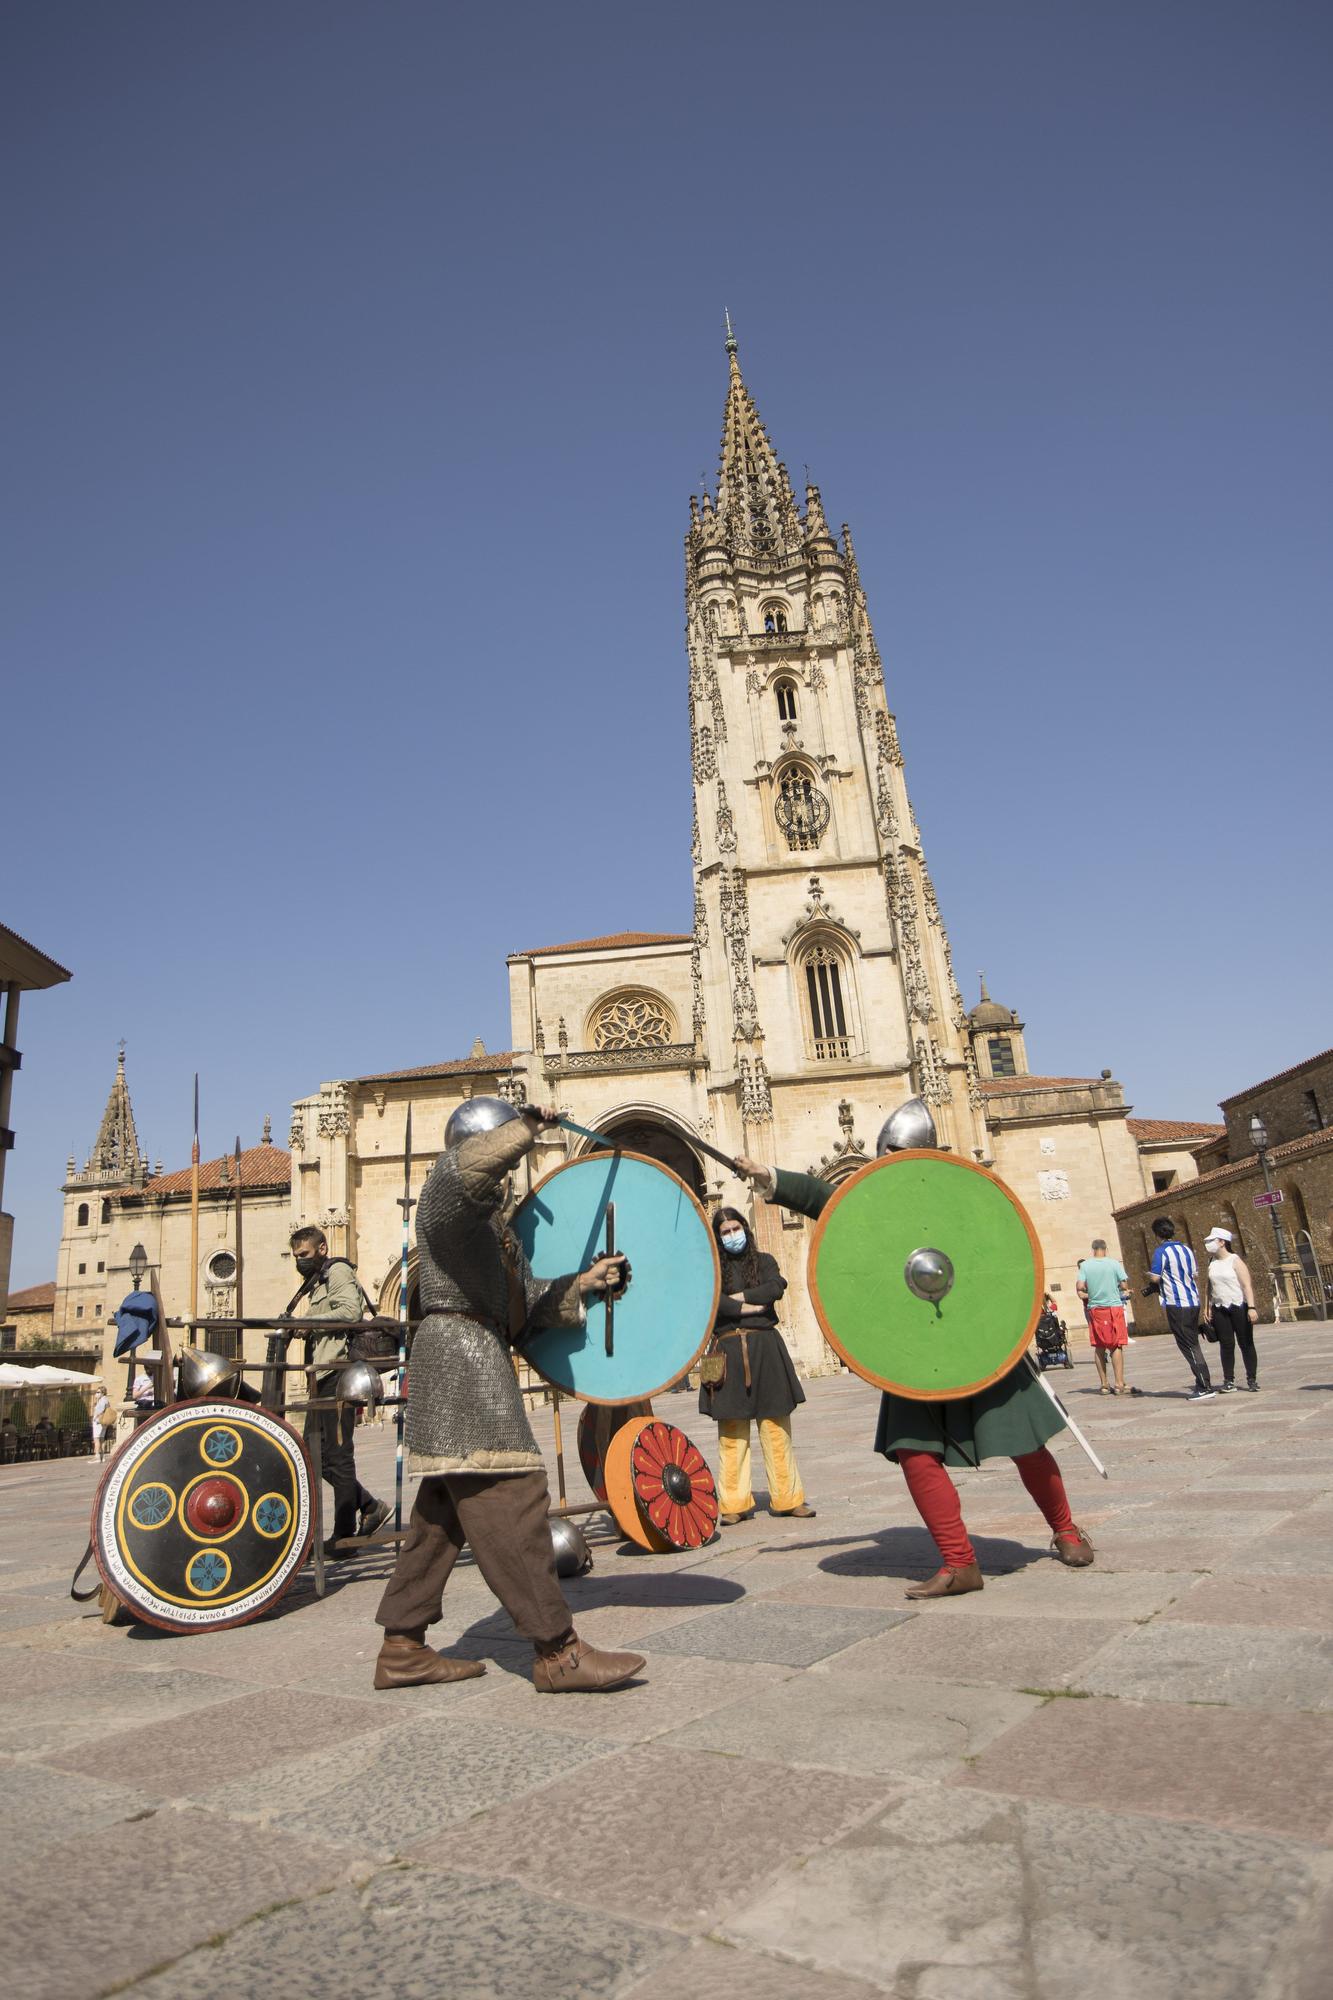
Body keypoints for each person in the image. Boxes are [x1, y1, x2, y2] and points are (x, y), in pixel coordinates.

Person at [734, 1119, 1094, 1598]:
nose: (888, 1165)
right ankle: (959, 1562)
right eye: (887, 1156)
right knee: (915, 1450)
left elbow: (999, 1250)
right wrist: (771, 1176)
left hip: (975, 1336)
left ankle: (1066, 1531)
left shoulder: (960, 1193)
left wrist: (1001, 1325)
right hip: (916, 1347)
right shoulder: (880, 1202)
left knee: (1024, 1440)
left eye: (897, 1154)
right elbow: (830, 1199)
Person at [373, 1098, 646, 1693]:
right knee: (514, 1496)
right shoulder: (445, 1203)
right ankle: (557, 1651)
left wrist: (582, 1285)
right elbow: (467, 1172)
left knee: (441, 1517)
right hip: (462, 1361)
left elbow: (521, 1309)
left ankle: (403, 1645)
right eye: (504, 1148)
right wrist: (528, 1127)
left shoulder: (498, 1236)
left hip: (477, 1352)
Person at [699, 1207, 814, 1525]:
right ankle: (733, 1503)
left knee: (776, 1427)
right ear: (718, 1237)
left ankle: (788, 1499)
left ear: (745, 1229)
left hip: (765, 1348)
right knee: (732, 1430)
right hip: (727, 1351)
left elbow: (775, 1287)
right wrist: (751, 1304)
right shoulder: (713, 1270)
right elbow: (713, 1301)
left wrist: (737, 1300)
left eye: (735, 1228)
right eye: (724, 1232)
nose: (731, 1235)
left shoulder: (764, 1261)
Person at [288, 1226, 391, 1559]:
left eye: (303, 1255)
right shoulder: (318, 1280)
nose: (299, 1262)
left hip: (338, 1374)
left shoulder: (338, 1271)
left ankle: (344, 1537)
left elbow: (350, 1312)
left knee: (338, 1456)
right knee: (310, 1455)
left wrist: (311, 1321)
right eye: (295, 1257)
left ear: (322, 1248)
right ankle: (370, 1506)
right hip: (322, 1376)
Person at [1146, 1217, 1215, 1400]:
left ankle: (1204, 1384)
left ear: (1157, 1234)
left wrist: (1152, 1279)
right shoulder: (1186, 1249)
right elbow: (1194, 1274)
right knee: (1193, 1342)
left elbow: (1155, 1277)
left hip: (1177, 1303)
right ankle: (1203, 1382)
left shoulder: (1161, 1252)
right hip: (1193, 1300)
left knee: (1187, 1344)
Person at [1203, 1227, 1260, 1392]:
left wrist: (1251, 1307)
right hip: (1220, 1307)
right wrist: (1207, 1306)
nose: (1208, 1244)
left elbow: (1246, 1285)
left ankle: (1252, 1379)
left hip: (1238, 1306)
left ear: (1222, 1242)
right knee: (1226, 1344)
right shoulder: (1211, 1262)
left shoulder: (1235, 1260)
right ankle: (1229, 1380)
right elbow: (1208, 1286)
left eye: (1212, 1241)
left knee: (1246, 1343)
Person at [1076, 1239, 1131, 1394]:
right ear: (1106, 1249)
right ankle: (1119, 1383)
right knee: (1116, 1345)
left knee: (1099, 1346)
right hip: (1113, 1306)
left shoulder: (1085, 1266)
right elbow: (1124, 1284)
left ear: (1093, 1250)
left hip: (1095, 1309)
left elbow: (1080, 1287)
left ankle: (1104, 1384)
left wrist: (1089, 1292)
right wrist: (1118, 1286)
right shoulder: (1114, 1264)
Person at [91, 1382, 114, 1460]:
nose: (96, 1394)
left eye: (98, 1392)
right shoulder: (105, 1400)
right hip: (103, 1422)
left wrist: (95, 1418)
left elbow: (100, 1410)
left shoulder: (102, 1400)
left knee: (96, 1438)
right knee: (101, 1439)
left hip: (99, 1421)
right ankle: (102, 1456)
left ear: (103, 1393)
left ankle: (97, 1456)